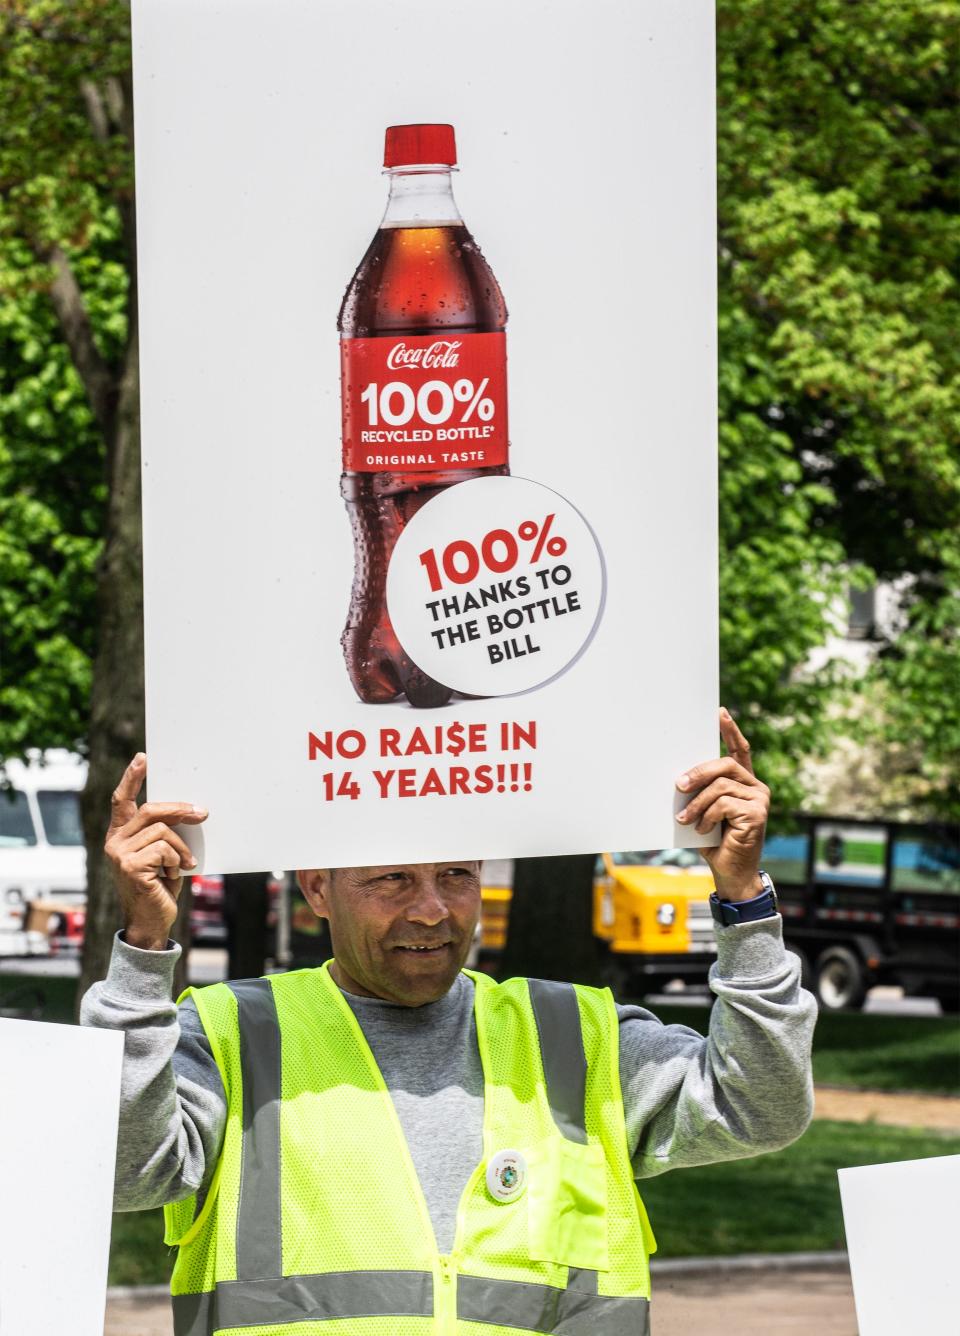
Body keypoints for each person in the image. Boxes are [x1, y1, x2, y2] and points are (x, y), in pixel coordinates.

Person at [82, 708, 816, 1336]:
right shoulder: (235, 1034)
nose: (431, 909)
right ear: (318, 889)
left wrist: (745, 898)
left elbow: (762, 1109)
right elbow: (127, 1176)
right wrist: (144, 949)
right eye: (393, 877)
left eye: (457, 875)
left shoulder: (576, 1035)